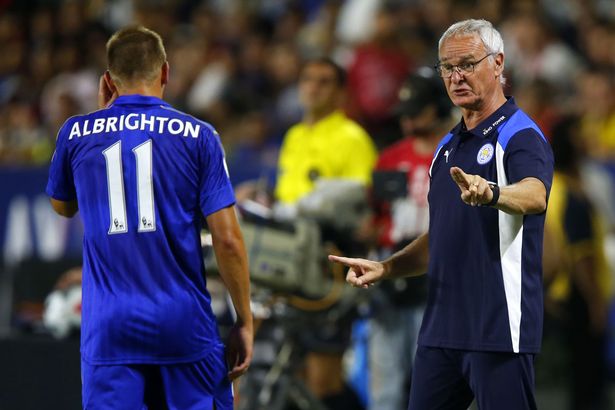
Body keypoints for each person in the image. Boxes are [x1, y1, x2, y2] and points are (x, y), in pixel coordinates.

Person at [329, 19, 554, 410]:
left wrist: (494, 193)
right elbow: (441, 239)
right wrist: (388, 268)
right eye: (448, 68)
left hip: (497, 328)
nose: (456, 76)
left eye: (468, 64)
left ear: (498, 63)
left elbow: (535, 195)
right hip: (440, 330)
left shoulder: (520, 135)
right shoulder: (447, 147)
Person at [46, 26, 253, 410]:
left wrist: (102, 117)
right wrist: (245, 319)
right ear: (166, 73)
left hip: (109, 328)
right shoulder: (199, 136)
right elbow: (227, 240)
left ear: (108, 80)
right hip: (183, 324)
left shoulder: (75, 133)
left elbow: (63, 206)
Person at [275, 57, 377, 409]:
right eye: (307, 79)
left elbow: (362, 201)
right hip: (290, 268)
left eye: (324, 81)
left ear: (340, 92)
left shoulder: (352, 137)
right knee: (294, 373)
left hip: (329, 269)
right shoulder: (294, 135)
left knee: (324, 378)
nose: (313, 87)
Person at [368, 68, 452, 410]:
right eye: (405, 114)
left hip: (439, 274)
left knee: (432, 381)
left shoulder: (455, 153)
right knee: (385, 383)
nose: (407, 121)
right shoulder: (390, 157)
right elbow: (373, 216)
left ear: (435, 109)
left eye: (415, 111)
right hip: (393, 267)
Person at [544, 116, 611, 410]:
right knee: (585, 384)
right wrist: (595, 301)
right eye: (579, 134)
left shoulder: (550, 184)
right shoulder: (573, 193)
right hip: (576, 295)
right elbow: (581, 253)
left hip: (551, 294)